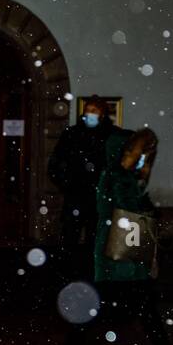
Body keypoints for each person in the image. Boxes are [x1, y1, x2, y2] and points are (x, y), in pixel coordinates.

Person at [88, 127, 173, 345]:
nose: (141, 157)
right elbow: (131, 208)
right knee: (119, 305)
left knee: (136, 305)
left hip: (126, 253)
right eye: (138, 152)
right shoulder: (116, 177)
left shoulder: (123, 177)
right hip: (119, 253)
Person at [48, 97, 117, 271]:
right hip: (76, 194)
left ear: (102, 114)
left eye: (94, 111)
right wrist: (67, 183)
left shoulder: (110, 136)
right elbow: (56, 163)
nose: (90, 114)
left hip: (99, 196)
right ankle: (66, 270)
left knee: (96, 237)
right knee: (70, 235)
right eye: (88, 110)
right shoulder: (72, 134)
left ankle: (93, 269)